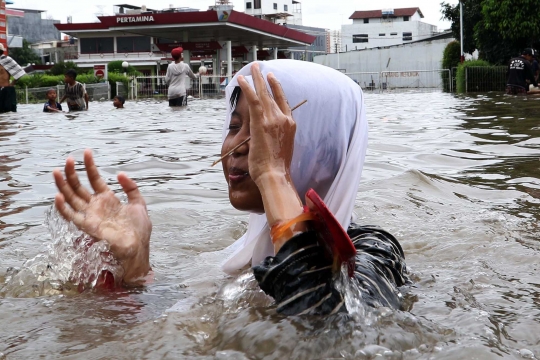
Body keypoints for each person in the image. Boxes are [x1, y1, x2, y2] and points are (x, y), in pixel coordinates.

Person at [51, 60, 409, 316]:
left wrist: (273, 174)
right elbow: (169, 320)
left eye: (265, 133)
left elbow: (326, 325)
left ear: (322, 152)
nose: (236, 146)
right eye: (234, 126)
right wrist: (136, 265)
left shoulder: (375, 251)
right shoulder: (243, 256)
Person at [0, 43, 26, 113]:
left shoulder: (7, 59)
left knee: (9, 111)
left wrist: (12, 83)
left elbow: (20, 72)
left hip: (6, 89)